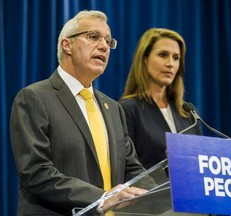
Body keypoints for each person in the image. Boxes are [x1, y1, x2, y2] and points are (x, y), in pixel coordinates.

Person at [10, 10, 148, 216]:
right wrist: (102, 198)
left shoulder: (114, 109)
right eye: (93, 37)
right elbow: (35, 172)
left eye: (108, 42)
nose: (103, 46)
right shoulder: (34, 97)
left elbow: (132, 170)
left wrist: (164, 194)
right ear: (67, 45)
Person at [119, 28, 203, 170]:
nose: (170, 63)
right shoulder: (127, 109)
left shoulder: (188, 112)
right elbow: (126, 167)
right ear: (145, 59)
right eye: (163, 55)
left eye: (176, 58)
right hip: (149, 191)